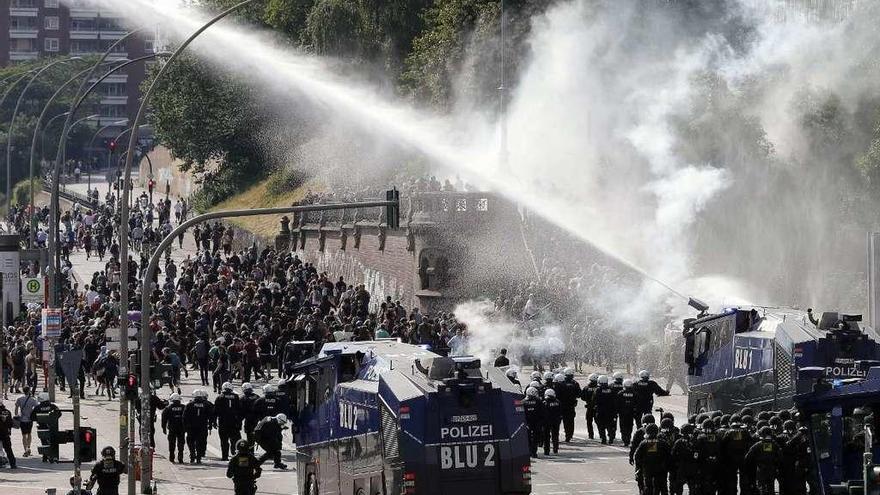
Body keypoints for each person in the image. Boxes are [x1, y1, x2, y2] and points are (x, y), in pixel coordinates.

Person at [633, 423, 670, 495]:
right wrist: (666, 466)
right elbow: (669, 456)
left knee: (648, 488)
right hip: (661, 470)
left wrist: (639, 467)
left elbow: (637, 456)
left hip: (648, 470)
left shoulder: (643, 443)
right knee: (663, 488)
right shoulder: (663, 443)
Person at [745, 427, 782, 495]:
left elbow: (748, 457)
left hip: (761, 470)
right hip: (772, 469)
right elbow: (780, 457)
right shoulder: (775, 445)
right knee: (771, 488)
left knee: (762, 489)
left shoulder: (757, 445)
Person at [184, 389, 215, 463]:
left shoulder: (189, 405)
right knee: (200, 441)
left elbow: (184, 417)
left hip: (191, 427)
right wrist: (210, 425)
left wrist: (185, 427)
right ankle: (198, 457)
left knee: (190, 441)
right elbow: (211, 416)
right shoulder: (206, 405)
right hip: (202, 426)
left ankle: (192, 454)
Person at [30, 391, 62, 462]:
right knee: (52, 441)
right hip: (52, 427)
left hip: (42, 427)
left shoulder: (38, 407)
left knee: (44, 442)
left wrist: (39, 419)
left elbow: (32, 417)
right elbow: (59, 414)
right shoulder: (53, 406)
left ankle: (45, 457)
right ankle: (52, 456)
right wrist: (53, 420)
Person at [215, 382, 243, 461]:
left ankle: (225, 456)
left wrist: (213, 422)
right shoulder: (236, 397)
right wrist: (239, 422)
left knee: (224, 441)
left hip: (223, 422)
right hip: (234, 422)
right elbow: (240, 410)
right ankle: (236, 454)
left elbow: (215, 411)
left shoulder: (220, 397)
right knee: (236, 440)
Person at [161, 393, 186, 464]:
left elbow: (164, 419)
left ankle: (171, 457)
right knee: (181, 443)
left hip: (172, 429)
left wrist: (164, 428)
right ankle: (180, 458)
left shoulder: (168, 408)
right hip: (181, 429)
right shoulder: (184, 407)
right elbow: (187, 418)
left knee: (172, 443)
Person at [593, 375, 618, 444]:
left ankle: (603, 439)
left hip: (601, 411)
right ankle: (611, 439)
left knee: (601, 426)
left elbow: (594, 399)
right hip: (610, 411)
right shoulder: (611, 389)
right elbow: (615, 400)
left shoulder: (598, 390)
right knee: (610, 425)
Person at [557, 368, 580, 442]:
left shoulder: (561, 384)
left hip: (562, 405)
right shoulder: (575, 383)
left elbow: (557, 394)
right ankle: (569, 435)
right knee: (570, 421)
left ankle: (563, 435)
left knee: (562, 420)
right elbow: (579, 394)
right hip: (571, 405)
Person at [14, 387, 37, 457]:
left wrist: (17, 415)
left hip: (22, 419)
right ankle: (29, 447)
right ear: (29, 391)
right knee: (29, 434)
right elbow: (36, 407)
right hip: (30, 419)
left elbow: (16, 408)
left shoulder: (20, 399)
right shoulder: (32, 399)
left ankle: (25, 449)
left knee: (24, 435)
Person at [522, 386, 544, 458]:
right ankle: (534, 452)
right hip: (536, 422)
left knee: (528, 438)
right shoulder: (539, 401)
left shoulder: (523, 402)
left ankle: (529, 452)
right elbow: (543, 412)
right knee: (535, 438)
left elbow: (520, 414)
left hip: (527, 423)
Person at [616, 379, 638, 447]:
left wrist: (617, 412)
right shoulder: (635, 394)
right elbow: (637, 403)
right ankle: (628, 439)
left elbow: (617, 404)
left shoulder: (620, 393)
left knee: (623, 427)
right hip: (631, 413)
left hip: (622, 414)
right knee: (629, 426)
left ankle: (625, 440)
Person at [543, 388, 561, 455]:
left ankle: (546, 451)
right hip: (556, 421)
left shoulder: (544, 402)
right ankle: (555, 449)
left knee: (546, 436)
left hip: (547, 422)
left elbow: (542, 412)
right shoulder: (558, 402)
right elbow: (560, 412)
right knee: (555, 435)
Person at [580, 374, 599, 440]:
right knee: (598, 422)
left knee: (589, 421)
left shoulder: (586, 388)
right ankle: (602, 435)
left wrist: (588, 400)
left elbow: (582, 397)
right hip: (597, 407)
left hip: (589, 407)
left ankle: (591, 435)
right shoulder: (599, 388)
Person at [0, 401, 16, 468]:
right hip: (6, 433)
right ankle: (13, 464)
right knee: (8, 449)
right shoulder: (8, 412)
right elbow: (11, 423)